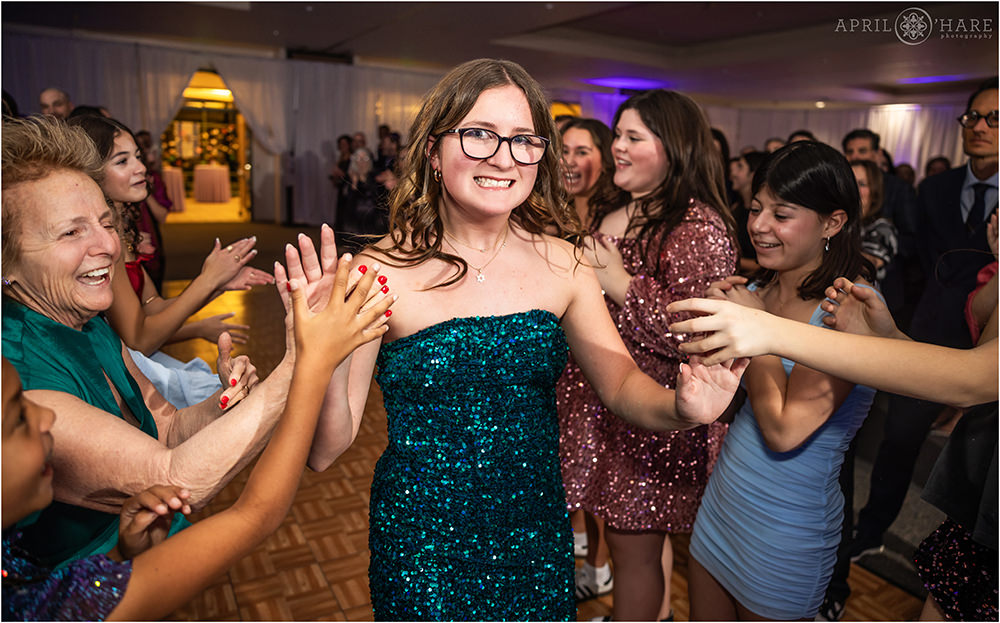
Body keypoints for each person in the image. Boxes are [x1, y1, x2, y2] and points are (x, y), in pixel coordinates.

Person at [298, 58, 748, 621]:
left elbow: (621, 383)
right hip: (423, 541)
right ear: (434, 151)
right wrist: (312, 350)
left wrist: (681, 408)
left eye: (523, 140)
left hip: (533, 532)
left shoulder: (564, 261)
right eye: (480, 134)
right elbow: (325, 449)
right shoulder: (377, 271)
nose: (503, 158)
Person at [1, 250, 395, 621]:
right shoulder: (48, 607)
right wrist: (307, 361)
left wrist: (122, 555)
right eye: (19, 417)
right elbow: (255, 514)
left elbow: (166, 427)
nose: (43, 419)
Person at [1, 115, 291, 569]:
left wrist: (226, 401)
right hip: (76, 591)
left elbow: (169, 428)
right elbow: (171, 478)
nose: (109, 247)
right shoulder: (18, 377)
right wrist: (303, 362)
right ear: (7, 264)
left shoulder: (87, 319)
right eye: (71, 232)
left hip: (134, 550)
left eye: (105, 223)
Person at [559, 90, 738, 622]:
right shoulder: (621, 208)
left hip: (652, 417)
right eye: (618, 135)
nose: (618, 147)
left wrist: (620, 283)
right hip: (604, 408)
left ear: (674, 149)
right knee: (628, 541)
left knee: (632, 549)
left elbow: (702, 335)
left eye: (634, 137)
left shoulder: (697, 227)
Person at [685, 140, 877, 621]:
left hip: (786, 529)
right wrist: (714, 341)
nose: (758, 226)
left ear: (833, 222)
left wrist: (755, 331)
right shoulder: (756, 291)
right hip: (724, 504)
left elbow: (786, 429)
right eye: (755, 209)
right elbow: (729, 411)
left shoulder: (845, 310)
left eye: (782, 214)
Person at [843, 78, 997, 608]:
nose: (979, 127)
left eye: (993, 118)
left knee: (977, 474)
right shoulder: (933, 189)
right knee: (898, 440)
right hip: (929, 331)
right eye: (972, 117)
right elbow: (910, 259)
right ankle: (873, 528)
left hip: (990, 343)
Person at [69, 115, 269, 407]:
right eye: (122, 161)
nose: (141, 168)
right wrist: (207, 280)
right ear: (91, 172)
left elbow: (153, 307)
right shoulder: (101, 240)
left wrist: (217, 285)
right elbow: (138, 339)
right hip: (112, 369)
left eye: (138, 157)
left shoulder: (122, 228)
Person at [555, 116, 621, 600]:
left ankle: (599, 568)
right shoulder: (551, 210)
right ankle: (579, 546)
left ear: (605, 156)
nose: (570, 161)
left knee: (596, 467)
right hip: (558, 360)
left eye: (583, 151)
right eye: (563, 150)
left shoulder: (613, 221)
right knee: (569, 461)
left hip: (599, 359)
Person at [853, 158, 898, 282]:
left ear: (874, 191)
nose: (854, 189)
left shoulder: (882, 229)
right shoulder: (838, 222)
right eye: (850, 182)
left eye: (861, 184)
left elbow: (867, 266)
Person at [729, 151, 767, 274]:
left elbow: (763, 265)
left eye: (740, 167)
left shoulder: (763, 218)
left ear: (753, 175)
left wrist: (729, 260)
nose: (733, 173)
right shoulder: (736, 208)